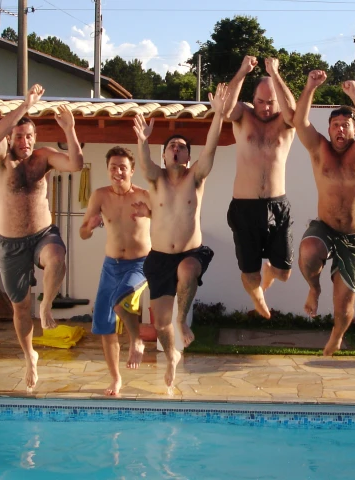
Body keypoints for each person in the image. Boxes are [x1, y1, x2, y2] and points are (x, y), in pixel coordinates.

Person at [132, 83, 229, 388]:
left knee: (188, 270)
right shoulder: (155, 178)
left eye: (181, 147)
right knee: (160, 323)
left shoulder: (195, 177)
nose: (176, 149)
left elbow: (211, 148)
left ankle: (183, 319)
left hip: (191, 252)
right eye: (171, 146)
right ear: (164, 155)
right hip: (159, 257)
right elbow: (145, 163)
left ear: (188, 156)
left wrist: (219, 115)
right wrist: (143, 141)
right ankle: (172, 356)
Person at [0, 84, 84, 390]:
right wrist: (24, 105)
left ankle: (46, 306)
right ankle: (30, 356)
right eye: (20, 136)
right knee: (18, 307)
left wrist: (69, 130)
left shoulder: (42, 157)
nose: (25, 141)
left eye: (29, 136)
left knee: (57, 257)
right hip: (11, 243)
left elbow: (76, 164)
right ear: (11, 139)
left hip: (43, 234)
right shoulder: (2, 160)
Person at [290, 70, 355, 356]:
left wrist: (354, 95)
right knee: (308, 250)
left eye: (346, 125)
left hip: (354, 237)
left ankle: (337, 335)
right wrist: (310, 86)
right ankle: (314, 288)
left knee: (343, 304)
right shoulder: (319, 149)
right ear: (328, 130)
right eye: (335, 125)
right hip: (325, 227)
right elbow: (300, 122)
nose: (340, 130)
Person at [221, 56, 297, 318]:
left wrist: (275, 74)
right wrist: (242, 71)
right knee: (249, 273)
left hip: (278, 205)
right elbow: (225, 109)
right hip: (245, 206)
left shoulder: (286, 122)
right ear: (253, 99)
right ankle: (257, 296)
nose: (265, 108)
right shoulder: (243, 115)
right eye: (261, 101)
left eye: (271, 102)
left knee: (284, 273)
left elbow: (295, 112)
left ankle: (269, 275)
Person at [80, 146, 151, 396]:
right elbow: (83, 232)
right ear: (108, 170)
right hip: (111, 266)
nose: (118, 171)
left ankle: (137, 340)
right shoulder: (100, 196)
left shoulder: (143, 195)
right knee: (104, 323)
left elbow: (165, 220)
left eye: (123, 167)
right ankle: (116, 378)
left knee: (121, 301)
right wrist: (89, 226)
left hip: (140, 264)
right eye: (113, 167)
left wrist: (149, 212)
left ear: (132, 170)